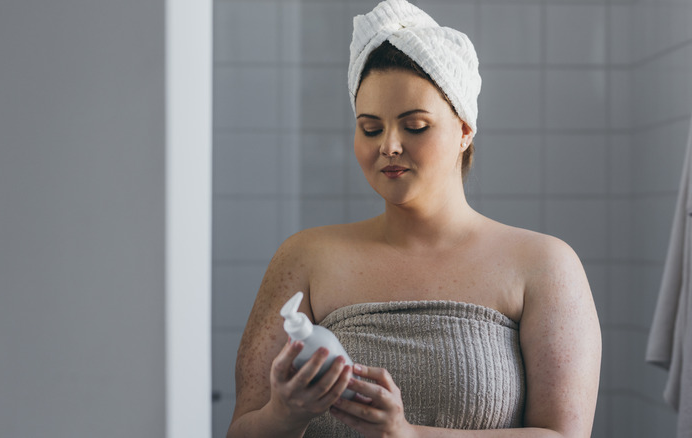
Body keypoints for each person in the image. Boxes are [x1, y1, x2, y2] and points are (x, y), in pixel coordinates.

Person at [227, 0, 601, 437]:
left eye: (415, 126)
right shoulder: (305, 258)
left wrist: (409, 434)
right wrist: (284, 416)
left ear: (464, 131)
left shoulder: (545, 266)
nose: (388, 146)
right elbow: (240, 430)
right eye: (370, 128)